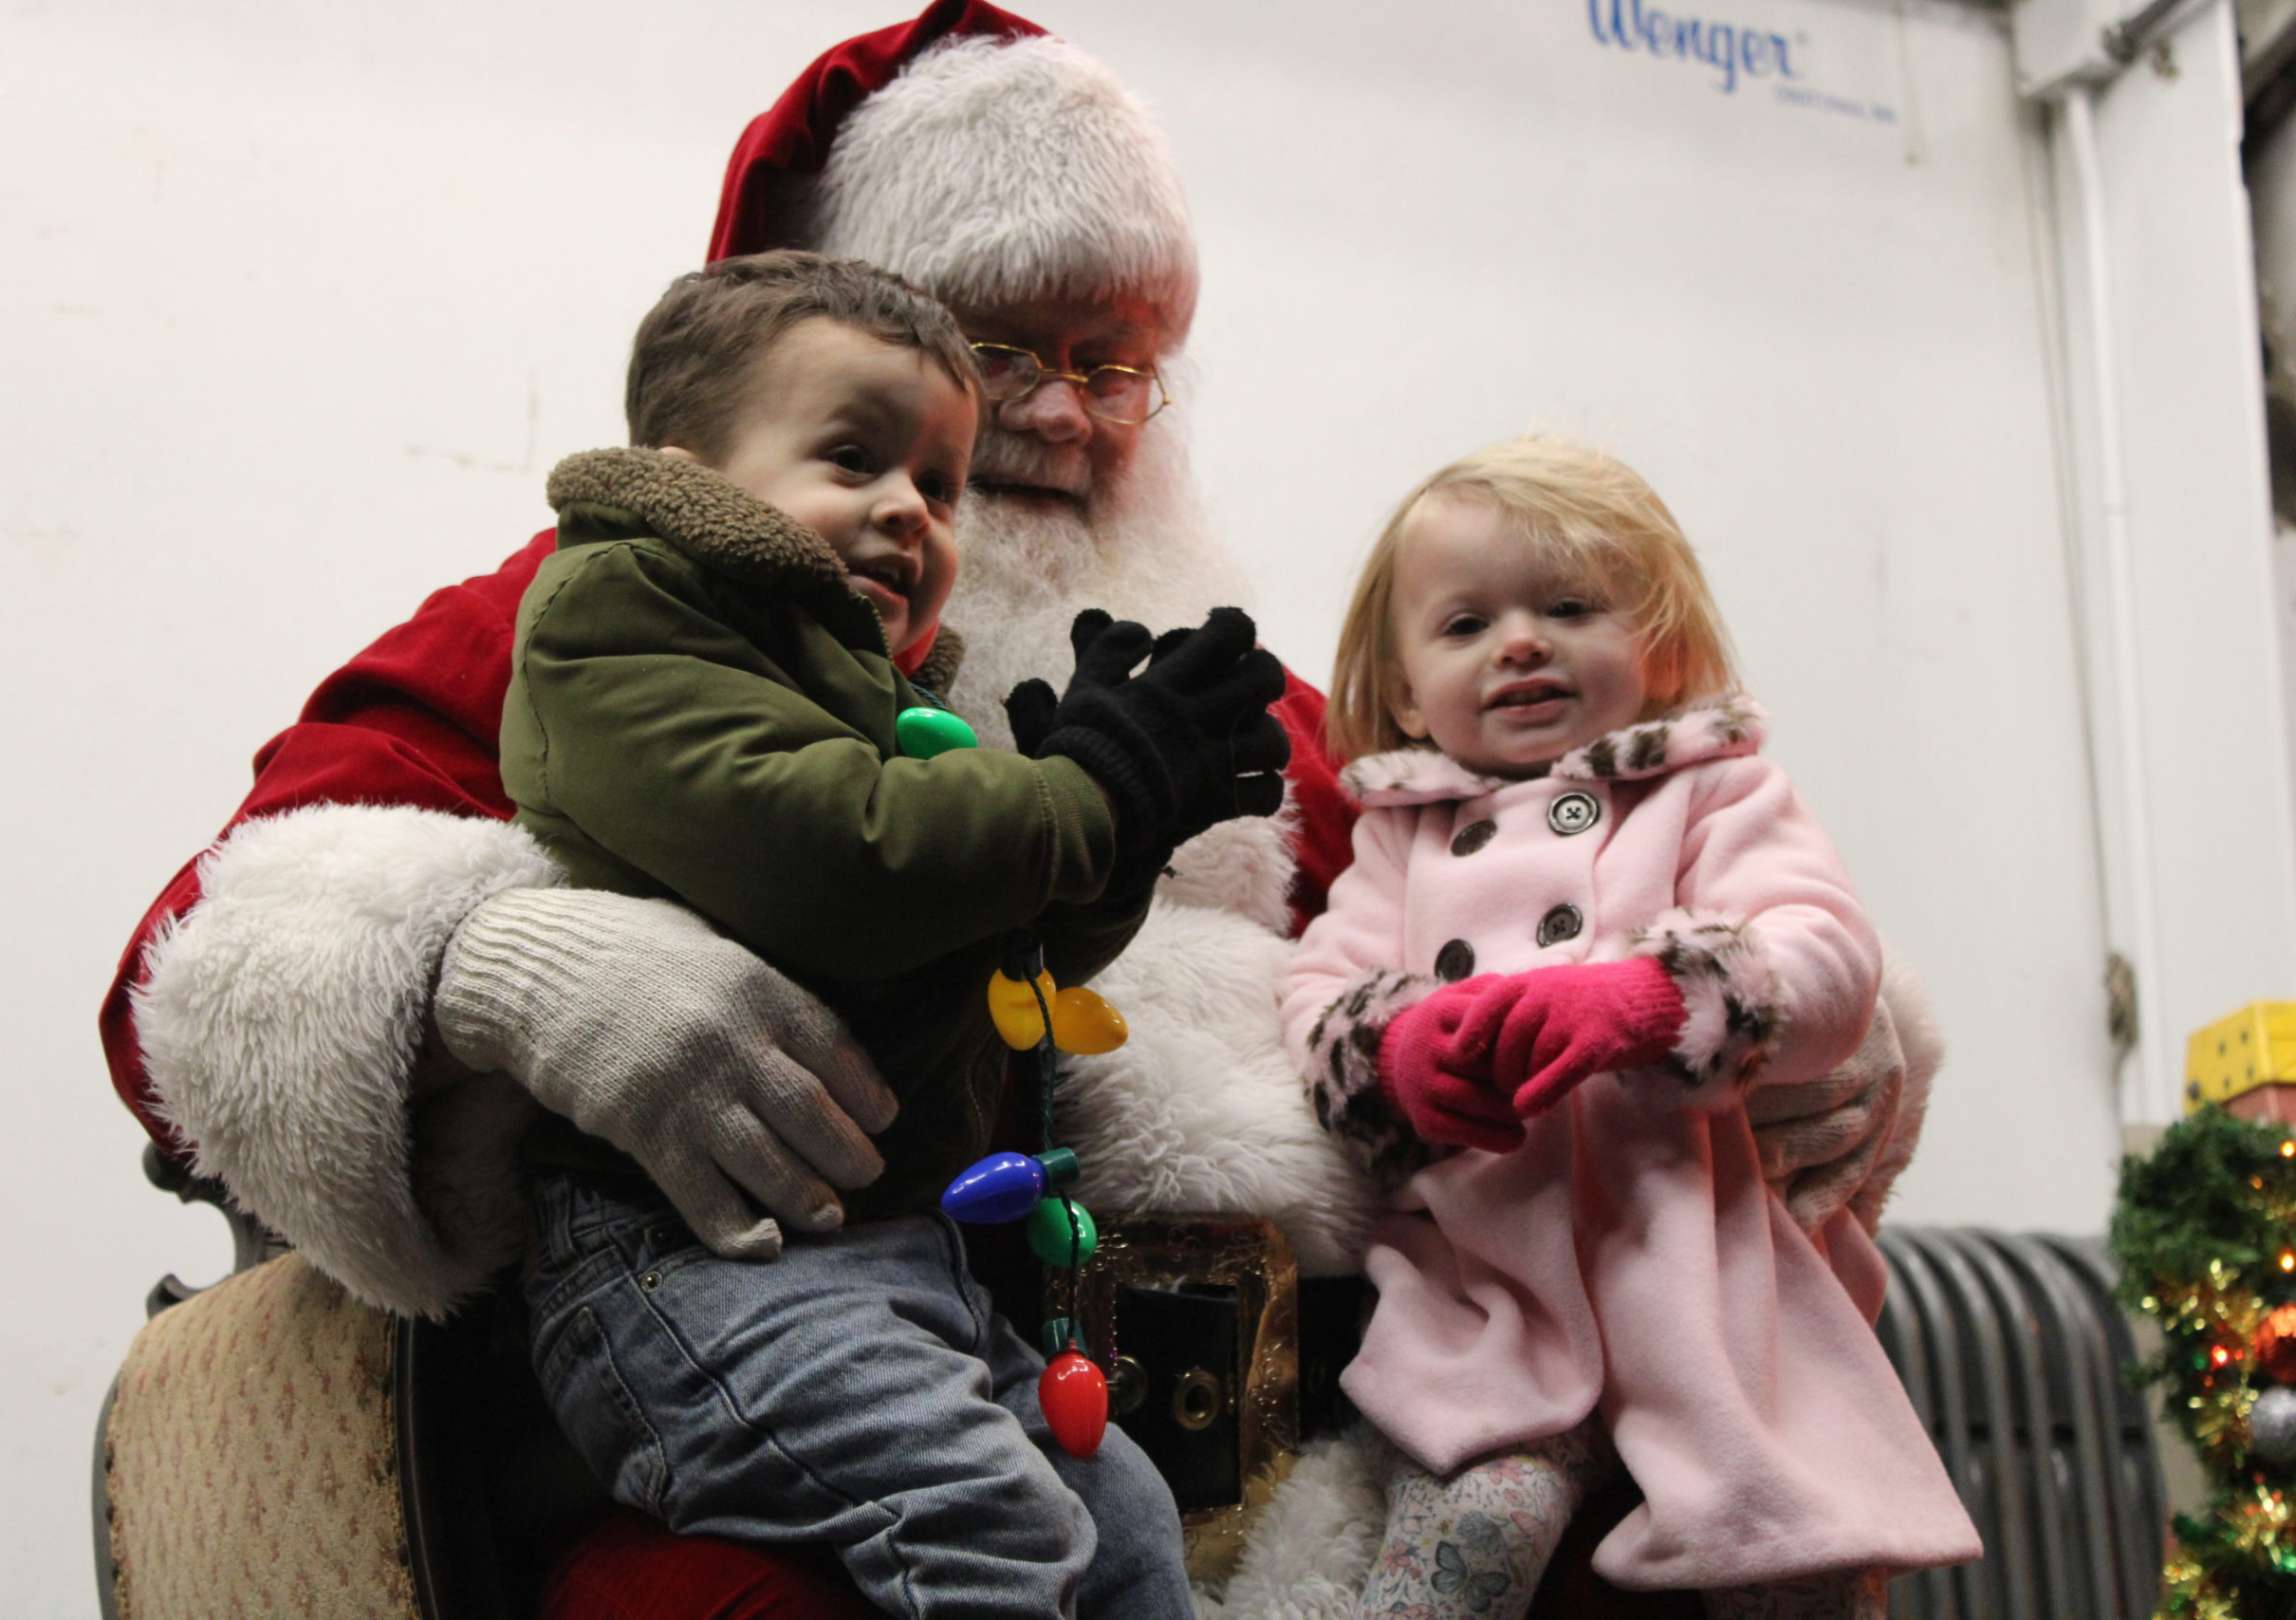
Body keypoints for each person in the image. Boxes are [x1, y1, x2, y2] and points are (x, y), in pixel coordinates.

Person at [102, 7, 1931, 1613]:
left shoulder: (1255, 704)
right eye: (1003, 351)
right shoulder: (604, 605)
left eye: (1121, 355)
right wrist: (508, 963)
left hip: (1308, 1420)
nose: (1067, 414)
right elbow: (194, 966)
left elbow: (1581, 870)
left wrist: (1814, 1033)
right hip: (806, 1381)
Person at [493, 248, 1285, 1618]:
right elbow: (840, 863)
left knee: (1126, 1511)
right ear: (687, 468)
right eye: (852, 457)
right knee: (983, 1521)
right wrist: (1079, 797)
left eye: (936, 481)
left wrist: (1128, 825)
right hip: (691, 1264)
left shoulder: (871, 694)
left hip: (890, 1256)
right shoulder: (618, 618)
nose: (907, 511)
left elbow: (1000, 974)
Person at [1283, 439, 1979, 1620]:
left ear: (1661, 649)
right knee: (1460, 1547)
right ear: (1403, 689)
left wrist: (1658, 1000)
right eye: (1463, 625)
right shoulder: (1398, 837)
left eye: (1566, 607)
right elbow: (1313, 1005)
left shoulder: (1715, 788)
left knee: (1794, 1558)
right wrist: (1397, 1056)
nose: (1518, 642)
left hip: (1707, 1285)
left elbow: (1828, 953)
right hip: (1487, 1300)